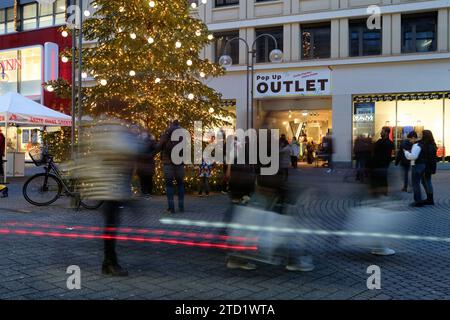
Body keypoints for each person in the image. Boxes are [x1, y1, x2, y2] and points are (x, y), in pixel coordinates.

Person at [73, 117, 142, 276]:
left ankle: (109, 262)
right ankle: (110, 263)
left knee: (112, 224)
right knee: (111, 226)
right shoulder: (112, 131)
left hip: (114, 189)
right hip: (111, 189)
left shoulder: (112, 130)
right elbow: (124, 151)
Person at [154, 120, 185, 214]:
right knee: (180, 185)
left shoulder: (166, 133)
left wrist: (150, 154)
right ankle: (181, 207)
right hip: (179, 163)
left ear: (171, 124)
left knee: (169, 186)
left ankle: (171, 209)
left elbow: (158, 147)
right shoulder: (183, 134)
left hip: (168, 164)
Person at [404, 130, 437, 207]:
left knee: (427, 181)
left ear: (426, 135)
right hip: (429, 165)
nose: (421, 136)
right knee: (425, 181)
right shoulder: (431, 144)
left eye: (422, 134)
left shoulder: (427, 145)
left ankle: (430, 199)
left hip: (427, 166)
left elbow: (428, 157)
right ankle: (429, 199)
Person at [370, 127, 394, 197]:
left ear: (386, 133)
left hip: (381, 163)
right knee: (382, 178)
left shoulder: (382, 142)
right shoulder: (387, 142)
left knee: (381, 178)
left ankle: (381, 192)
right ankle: (383, 192)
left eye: (382, 131)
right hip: (381, 163)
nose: (381, 132)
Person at [137, 131, 156, 198]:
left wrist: (150, 155)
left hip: (148, 163)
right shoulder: (138, 140)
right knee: (142, 179)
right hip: (141, 164)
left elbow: (155, 149)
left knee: (148, 179)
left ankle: (148, 192)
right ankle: (144, 192)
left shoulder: (151, 141)